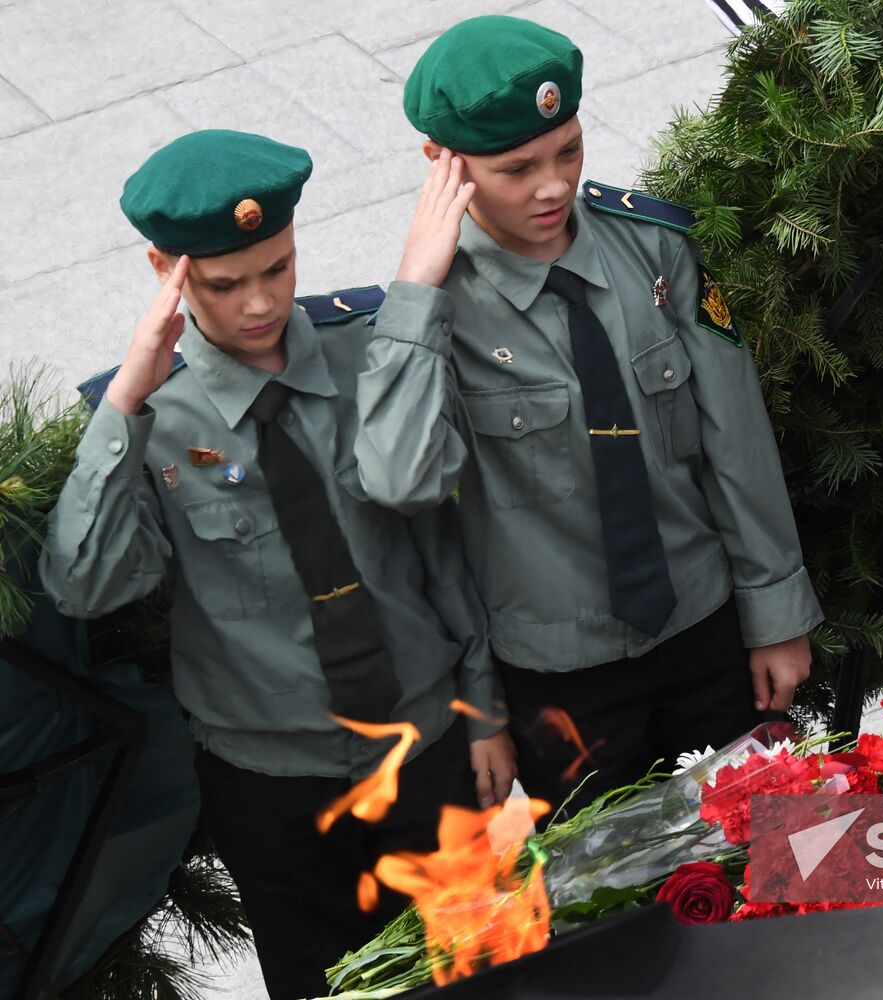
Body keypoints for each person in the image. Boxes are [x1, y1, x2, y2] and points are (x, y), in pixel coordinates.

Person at [39, 130, 514, 1000]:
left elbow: (441, 554)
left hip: (426, 747)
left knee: (479, 968)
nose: (259, 303)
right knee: (318, 986)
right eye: (225, 285)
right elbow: (86, 584)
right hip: (273, 789)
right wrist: (124, 405)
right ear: (165, 269)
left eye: (278, 268)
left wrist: (485, 714)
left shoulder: (368, 346)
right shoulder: (153, 417)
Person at [354, 15, 824, 815]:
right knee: (621, 903)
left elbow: (734, 443)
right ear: (443, 163)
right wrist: (416, 292)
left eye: (568, 149)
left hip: (702, 625)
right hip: (559, 677)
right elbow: (400, 483)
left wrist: (776, 612)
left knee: (766, 853)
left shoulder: (653, 249)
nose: (552, 185)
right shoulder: (426, 319)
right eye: (515, 168)